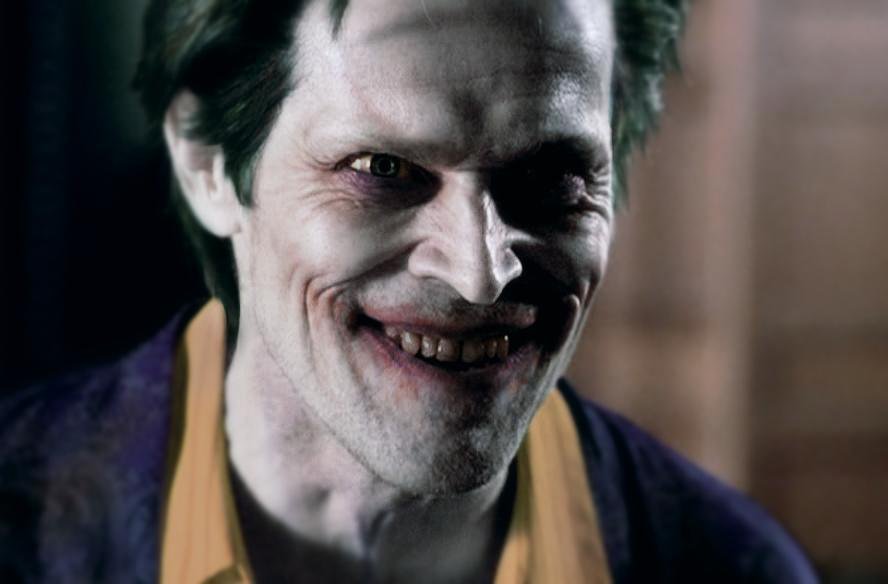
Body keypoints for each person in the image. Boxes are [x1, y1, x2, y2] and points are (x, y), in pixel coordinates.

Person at [0, 0, 818, 582]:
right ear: (207, 165)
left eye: (552, 179)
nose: (479, 273)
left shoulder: (730, 565)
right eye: (383, 169)